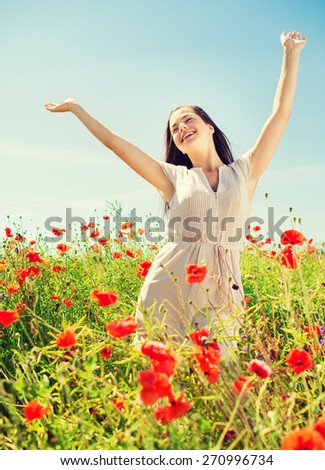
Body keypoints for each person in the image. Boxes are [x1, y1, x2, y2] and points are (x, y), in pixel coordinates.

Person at [45, 31, 306, 355]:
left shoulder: (245, 170)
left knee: (220, 377)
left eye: (187, 120)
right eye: (175, 129)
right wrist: (76, 109)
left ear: (210, 126)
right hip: (170, 288)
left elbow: (280, 114)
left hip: (223, 290)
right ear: (176, 143)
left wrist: (290, 54)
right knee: (170, 380)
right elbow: (115, 142)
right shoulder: (173, 178)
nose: (181, 128)